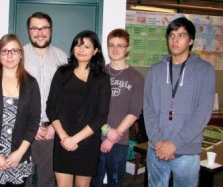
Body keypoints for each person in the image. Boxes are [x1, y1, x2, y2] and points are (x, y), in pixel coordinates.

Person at [143, 17, 215, 187]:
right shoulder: (155, 71)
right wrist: (158, 141)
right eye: (172, 35)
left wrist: (174, 144)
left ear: (190, 41)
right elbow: (148, 108)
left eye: (181, 35)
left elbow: (202, 114)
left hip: (186, 152)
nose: (175, 40)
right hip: (156, 150)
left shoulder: (205, 71)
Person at [46, 30, 111, 187]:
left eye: (87, 46)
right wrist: (64, 137)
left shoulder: (102, 79)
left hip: (87, 142)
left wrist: (74, 139)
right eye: (78, 45)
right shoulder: (62, 73)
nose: (81, 50)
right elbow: (51, 107)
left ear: (95, 51)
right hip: (63, 140)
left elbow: (101, 116)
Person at [0, 34, 41, 187]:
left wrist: (19, 153)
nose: (9, 55)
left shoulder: (31, 84)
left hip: (18, 158)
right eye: (4, 51)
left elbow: (33, 122)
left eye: (14, 50)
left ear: (21, 54)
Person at [91, 28, 144, 187]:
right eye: (111, 45)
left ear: (127, 48)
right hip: (93, 138)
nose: (115, 49)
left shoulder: (136, 77)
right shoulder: (98, 73)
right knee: (94, 182)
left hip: (119, 141)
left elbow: (134, 111)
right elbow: (90, 107)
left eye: (120, 45)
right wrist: (107, 131)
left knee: (115, 182)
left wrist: (114, 136)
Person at [23, 12, 68, 187]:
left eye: (44, 28)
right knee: (23, 178)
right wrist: (31, 127)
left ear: (51, 30)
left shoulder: (62, 58)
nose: (39, 32)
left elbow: (67, 97)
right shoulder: (19, 56)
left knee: (48, 180)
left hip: (52, 129)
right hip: (24, 129)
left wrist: (56, 128)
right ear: (29, 31)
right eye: (35, 28)